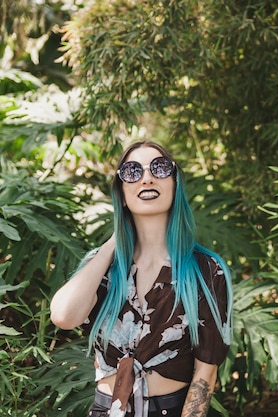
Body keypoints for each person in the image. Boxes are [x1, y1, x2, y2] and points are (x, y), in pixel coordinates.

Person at [50, 141, 233, 417]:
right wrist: (114, 242)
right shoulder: (101, 267)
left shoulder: (206, 269)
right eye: (132, 172)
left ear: (174, 184)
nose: (147, 177)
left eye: (159, 169)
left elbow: (205, 373)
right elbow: (64, 316)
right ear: (122, 193)